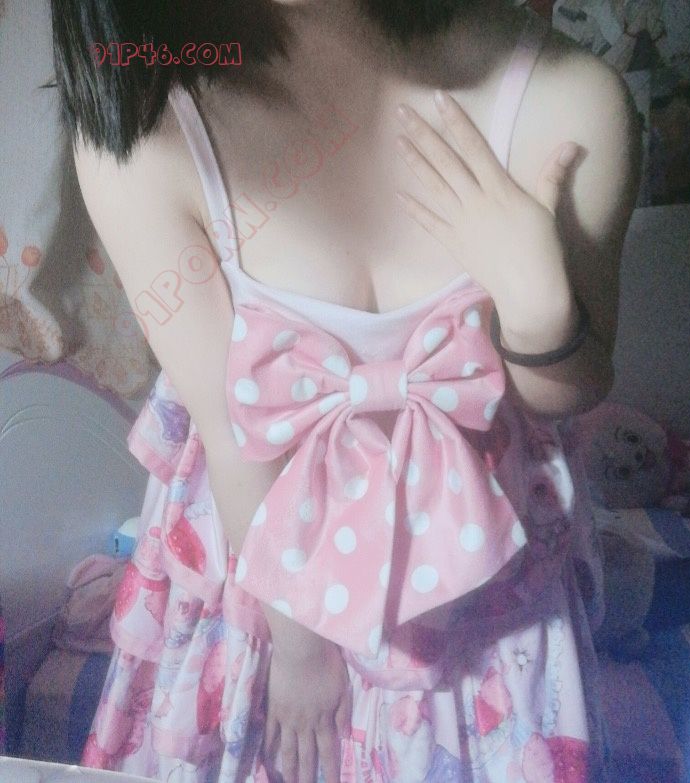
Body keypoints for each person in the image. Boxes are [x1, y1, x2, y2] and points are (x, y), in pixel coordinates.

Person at [50, 0, 642, 780]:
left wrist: (540, 309)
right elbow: (231, 433)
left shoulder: (572, 103)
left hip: (481, 592)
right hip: (264, 577)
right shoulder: (147, 129)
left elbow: (569, 389)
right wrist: (299, 652)